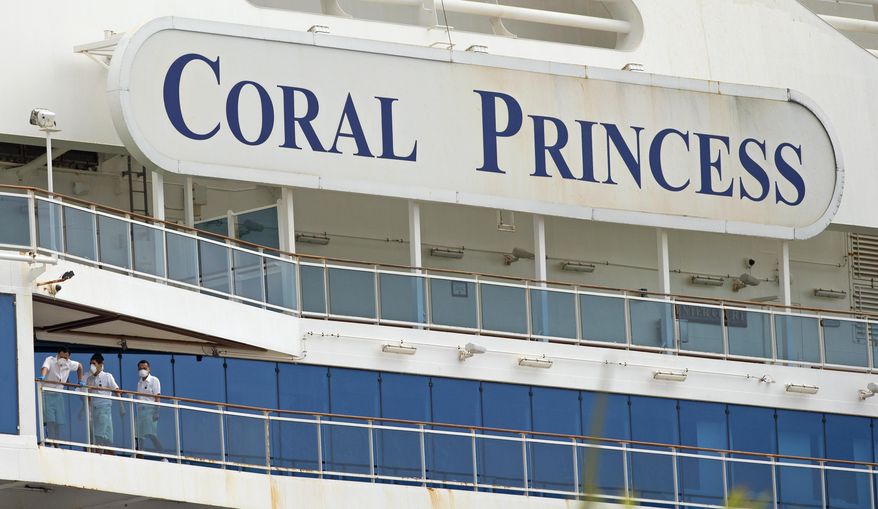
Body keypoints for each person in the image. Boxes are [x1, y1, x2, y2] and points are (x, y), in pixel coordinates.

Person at [38, 346, 84, 441]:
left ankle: (57, 442)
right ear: (58, 354)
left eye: (66, 358)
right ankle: (51, 441)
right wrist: (42, 376)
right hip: (47, 394)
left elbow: (80, 366)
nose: (64, 359)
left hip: (59, 395)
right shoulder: (50, 360)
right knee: (50, 420)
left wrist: (80, 380)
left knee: (59, 421)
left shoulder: (69, 363)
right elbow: (45, 368)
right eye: (62, 357)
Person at [82, 353, 120, 453]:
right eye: (90, 364)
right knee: (101, 436)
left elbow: (116, 390)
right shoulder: (89, 379)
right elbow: (88, 397)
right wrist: (84, 409)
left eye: (94, 363)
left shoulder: (107, 376)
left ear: (100, 364)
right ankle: (99, 455)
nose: (91, 366)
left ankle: (101, 456)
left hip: (104, 409)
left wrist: (121, 406)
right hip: (94, 410)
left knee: (104, 436)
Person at [134, 360, 164, 456]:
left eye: (144, 368)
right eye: (140, 368)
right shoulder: (139, 383)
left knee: (151, 434)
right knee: (138, 435)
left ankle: (163, 456)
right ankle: (139, 455)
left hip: (150, 410)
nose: (142, 370)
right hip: (140, 411)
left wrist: (156, 412)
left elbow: (157, 397)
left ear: (149, 369)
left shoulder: (154, 380)